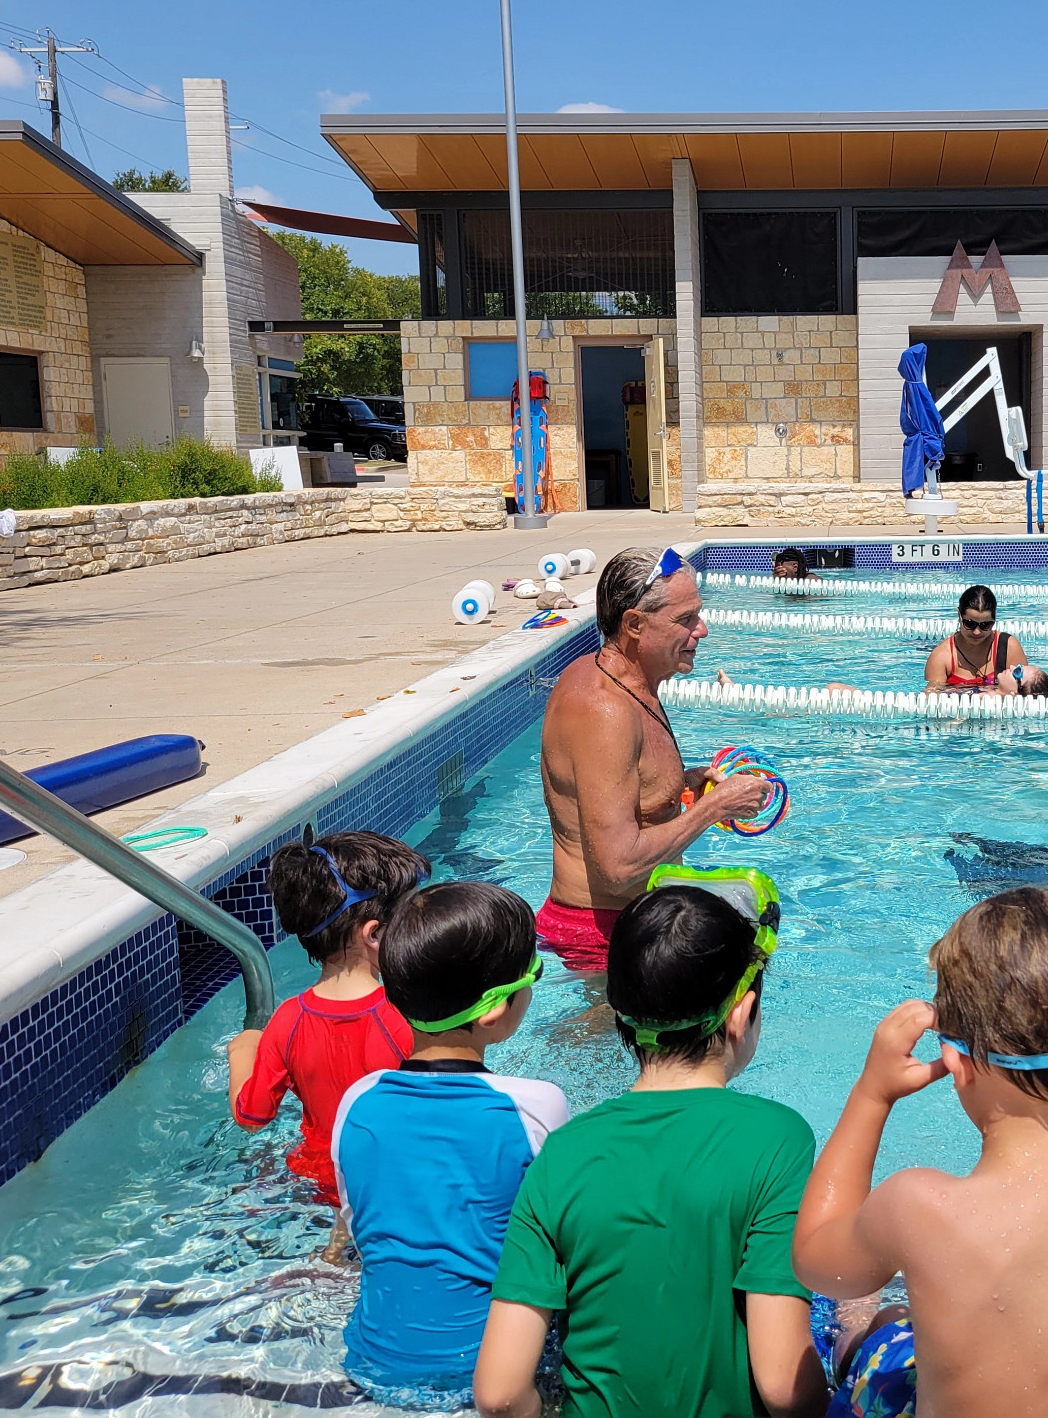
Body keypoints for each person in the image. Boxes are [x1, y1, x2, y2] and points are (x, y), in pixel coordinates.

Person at [793, 887, 1048, 1418]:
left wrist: (872, 1095)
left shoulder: (918, 1207)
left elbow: (816, 1263)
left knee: (882, 1324)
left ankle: (858, 1334)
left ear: (954, 1064)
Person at [475, 877, 827, 1418]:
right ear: (742, 1012)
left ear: (619, 1012)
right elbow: (784, 1389)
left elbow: (498, 1395)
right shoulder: (778, 1139)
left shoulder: (564, 1151)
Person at [331, 881, 567, 1406]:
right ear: (493, 1011)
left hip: (373, 1362)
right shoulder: (537, 1105)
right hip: (490, 1376)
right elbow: (564, 1242)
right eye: (534, 976)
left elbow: (357, 1229)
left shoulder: (357, 1103)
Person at [537, 546, 774, 972]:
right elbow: (617, 866)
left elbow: (621, 787)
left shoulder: (632, 684)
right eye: (685, 620)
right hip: (601, 942)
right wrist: (712, 808)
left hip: (629, 925)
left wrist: (681, 784)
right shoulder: (603, 709)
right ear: (634, 624)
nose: (701, 630)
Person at [226, 832, 428, 1222]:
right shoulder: (407, 1016)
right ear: (373, 934)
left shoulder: (288, 1020)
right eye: (409, 920)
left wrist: (243, 1049)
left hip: (321, 1184)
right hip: (398, 1184)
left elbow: (251, 1117)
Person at [922, 585, 1030, 693]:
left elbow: (1027, 692)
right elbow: (930, 700)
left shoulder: (1008, 648)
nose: (976, 632)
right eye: (970, 624)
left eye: (985, 625)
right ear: (959, 615)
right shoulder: (942, 657)